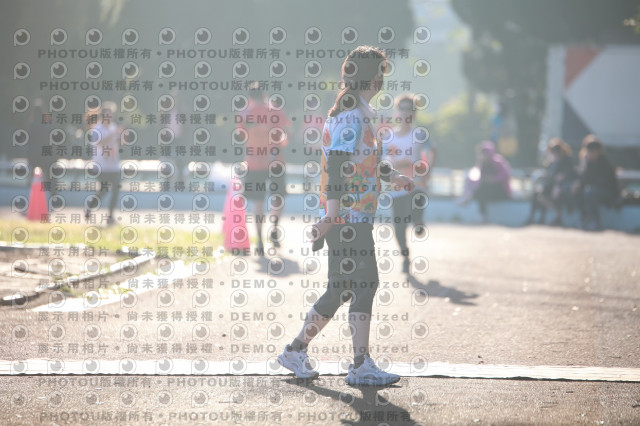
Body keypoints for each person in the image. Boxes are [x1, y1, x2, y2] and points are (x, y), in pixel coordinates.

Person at [277, 46, 415, 386]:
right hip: (348, 218)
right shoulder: (353, 115)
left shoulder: (357, 112)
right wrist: (331, 216)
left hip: (351, 216)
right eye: (380, 73)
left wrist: (392, 175)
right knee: (365, 284)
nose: (382, 80)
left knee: (340, 288)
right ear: (370, 77)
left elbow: (361, 160)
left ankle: (296, 350)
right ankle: (360, 364)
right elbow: (338, 162)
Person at [237, 83, 291, 253]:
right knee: (278, 197)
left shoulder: (245, 112)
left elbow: (241, 136)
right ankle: (274, 229)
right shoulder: (275, 110)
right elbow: (285, 134)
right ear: (264, 94)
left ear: (249, 96)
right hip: (275, 160)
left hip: (254, 162)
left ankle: (260, 240)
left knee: (257, 201)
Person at [383, 94, 434, 273]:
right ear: (397, 112)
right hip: (397, 186)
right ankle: (405, 256)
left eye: (409, 109)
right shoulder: (388, 136)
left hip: (416, 184)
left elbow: (431, 152)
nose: (405, 113)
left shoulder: (419, 135)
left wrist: (427, 170)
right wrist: (395, 166)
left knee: (417, 199)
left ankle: (417, 219)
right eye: (402, 109)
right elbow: (385, 161)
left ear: (414, 113)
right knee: (399, 226)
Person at [84, 102, 122, 225]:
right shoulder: (97, 129)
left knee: (116, 189)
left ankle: (110, 216)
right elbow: (99, 142)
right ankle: (90, 206)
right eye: (107, 115)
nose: (110, 117)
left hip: (113, 164)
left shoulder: (113, 127)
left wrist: (122, 138)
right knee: (104, 190)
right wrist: (113, 134)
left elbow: (116, 143)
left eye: (111, 115)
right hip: (101, 166)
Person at [526, 138, 577, 226]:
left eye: (557, 152)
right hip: (552, 186)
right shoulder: (552, 162)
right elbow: (550, 176)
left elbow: (565, 176)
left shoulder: (567, 160)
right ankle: (534, 218)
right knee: (538, 193)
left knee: (557, 193)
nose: (555, 154)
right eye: (553, 152)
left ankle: (558, 218)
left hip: (563, 187)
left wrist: (558, 185)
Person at [459, 141, 511, 223]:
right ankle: (481, 213)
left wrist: (492, 179)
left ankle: (470, 201)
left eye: (484, 153)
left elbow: (505, 174)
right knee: (480, 191)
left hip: (501, 191)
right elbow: (474, 177)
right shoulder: (481, 164)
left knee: (482, 189)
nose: (483, 155)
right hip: (487, 191)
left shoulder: (498, 162)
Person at [576, 138, 620, 231]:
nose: (591, 153)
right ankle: (584, 218)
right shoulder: (587, 162)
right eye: (589, 151)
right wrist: (584, 165)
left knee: (590, 191)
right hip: (593, 191)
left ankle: (595, 221)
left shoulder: (604, 162)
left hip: (608, 193)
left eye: (593, 151)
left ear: (598, 151)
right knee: (581, 191)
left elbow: (607, 183)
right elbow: (583, 180)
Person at [26, 99, 59, 197]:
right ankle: (54, 196)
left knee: (35, 178)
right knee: (51, 178)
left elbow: (29, 141)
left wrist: (29, 156)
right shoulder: (49, 123)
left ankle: (35, 196)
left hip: (35, 156)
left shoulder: (32, 124)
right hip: (49, 155)